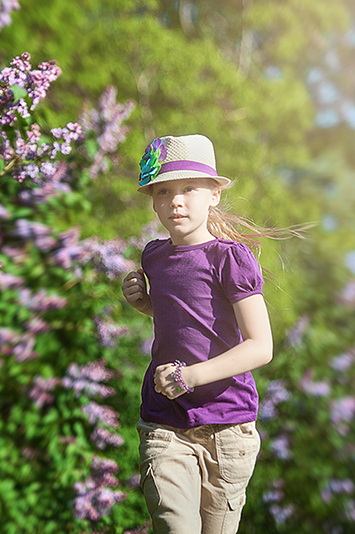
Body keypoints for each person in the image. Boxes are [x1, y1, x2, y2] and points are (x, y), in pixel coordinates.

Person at [121, 134, 275, 534]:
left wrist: (190, 376)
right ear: (153, 200)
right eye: (164, 191)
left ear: (214, 195)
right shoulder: (154, 256)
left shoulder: (230, 259)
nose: (176, 200)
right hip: (164, 423)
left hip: (227, 428)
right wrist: (147, 305)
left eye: (189, 188)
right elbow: (186, 317)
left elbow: (261, 346)